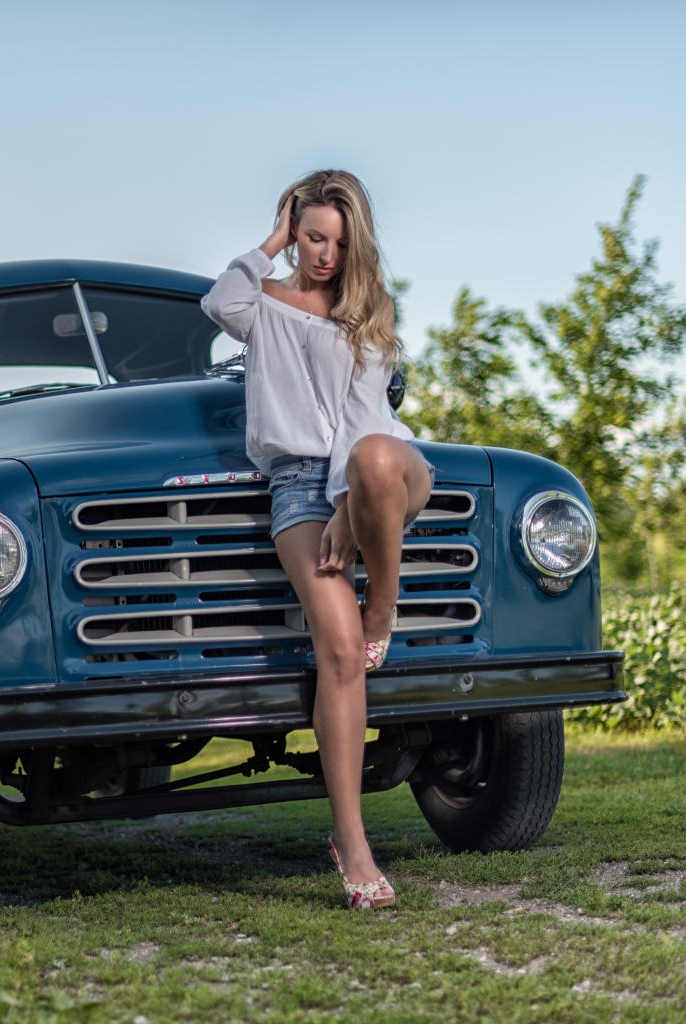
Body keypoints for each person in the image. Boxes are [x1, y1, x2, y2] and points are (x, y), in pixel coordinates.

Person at [201, 169, 434, 910]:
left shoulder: (368, 310)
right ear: (294, 233)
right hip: (296, 486)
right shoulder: (263, 307)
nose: (325, 255)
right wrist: (271, 238)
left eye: (338, 240)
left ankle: (384, 609)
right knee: (337, 654)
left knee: (370, 458)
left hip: (382, 469)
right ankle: (351, 841)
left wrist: (349, 502)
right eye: (311, 237)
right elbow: (218, 301)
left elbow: (369, 416)